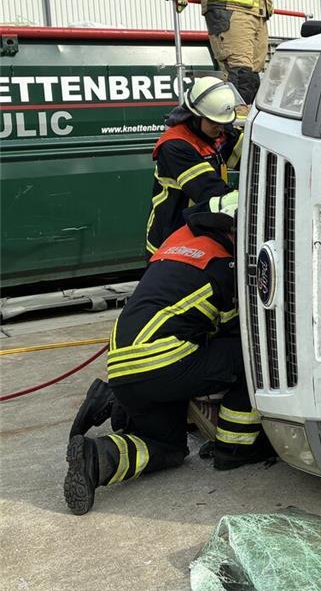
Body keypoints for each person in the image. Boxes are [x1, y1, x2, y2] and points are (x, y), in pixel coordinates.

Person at [64, 192, 274, 516]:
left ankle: (97, 458)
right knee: (254, 355)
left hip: (121, 362)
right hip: (161, 362)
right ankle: (235, 447)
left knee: (168, 447)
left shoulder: (179, 237)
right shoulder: (225, 268)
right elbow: (244, 330)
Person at [146, 76, 242, 257]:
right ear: (196, 116)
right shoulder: (175, 146)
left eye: (224, 123)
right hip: (170, 240)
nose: (221, 128)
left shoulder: (216, 132)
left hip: (199, 233)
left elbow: (253, 158)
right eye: (215, 123)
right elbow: (210, 192)